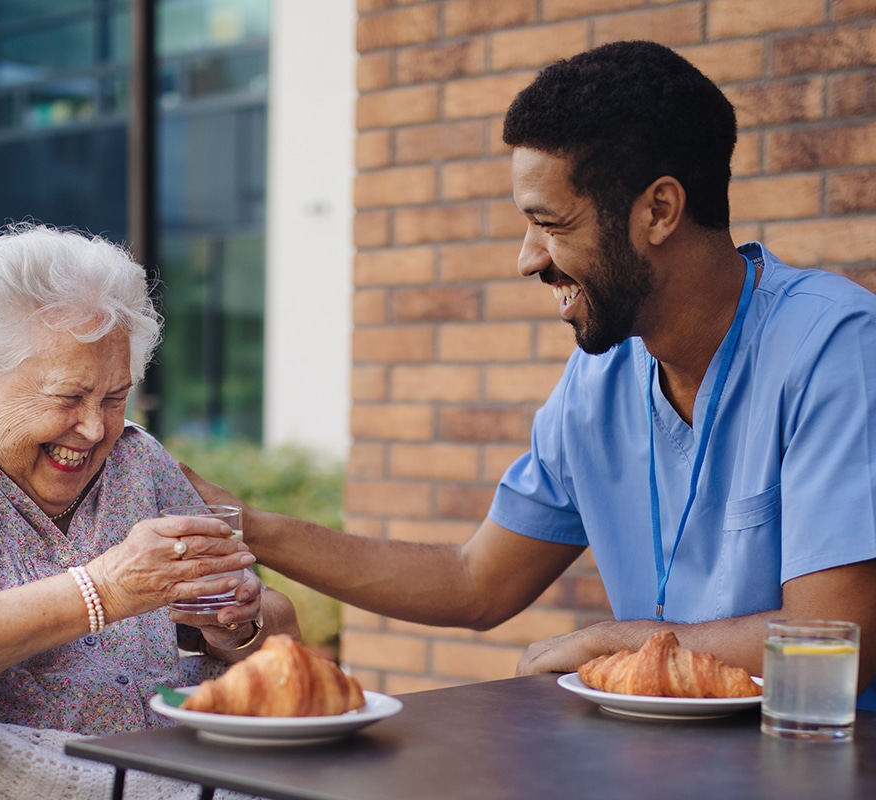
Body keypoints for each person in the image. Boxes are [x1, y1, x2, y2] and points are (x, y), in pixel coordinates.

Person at [183, 40, 876, 705]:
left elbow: (839, 641)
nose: (527, 258)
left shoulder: (833, 346)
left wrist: (623, 643)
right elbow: (473, 581)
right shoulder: (599, 382)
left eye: (551, 223)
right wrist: (242, 526)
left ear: (659, 210)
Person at [0, 222, 299, 737]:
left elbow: (279, 628)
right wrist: (103, 590)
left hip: (170, 770)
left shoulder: (137, 460)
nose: (95, 427)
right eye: (68, 397)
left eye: (114, 396)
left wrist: (238, 625)